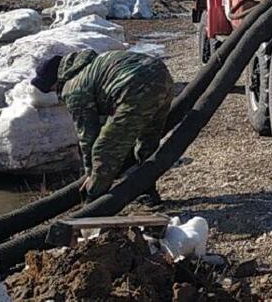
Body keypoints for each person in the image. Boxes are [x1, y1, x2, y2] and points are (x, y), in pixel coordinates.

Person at [33, 49, 174, 204]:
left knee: (104, 150)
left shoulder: (73, 87)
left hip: (135, 88)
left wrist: (91, 174)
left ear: (54, 81)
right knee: (147, 142)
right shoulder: (89, 65)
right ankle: (147, 191)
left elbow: (87, 135)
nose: (54, 93)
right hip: (162, 77)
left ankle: (95, 203)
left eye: (51, 89)